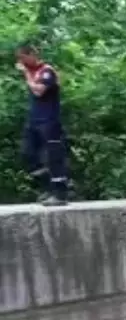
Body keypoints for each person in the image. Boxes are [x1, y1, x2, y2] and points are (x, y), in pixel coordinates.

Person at [16, 45, 68, 206]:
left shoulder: (47, 71)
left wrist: (25, 74)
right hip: (34, 120)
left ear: (32, 55)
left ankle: (60, 193)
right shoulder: (33, 72)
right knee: (28, 153)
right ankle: (47, 187)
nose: (21, 62)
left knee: (53, 155)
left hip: (49, 120)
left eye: (23, 58)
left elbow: (39, 91)